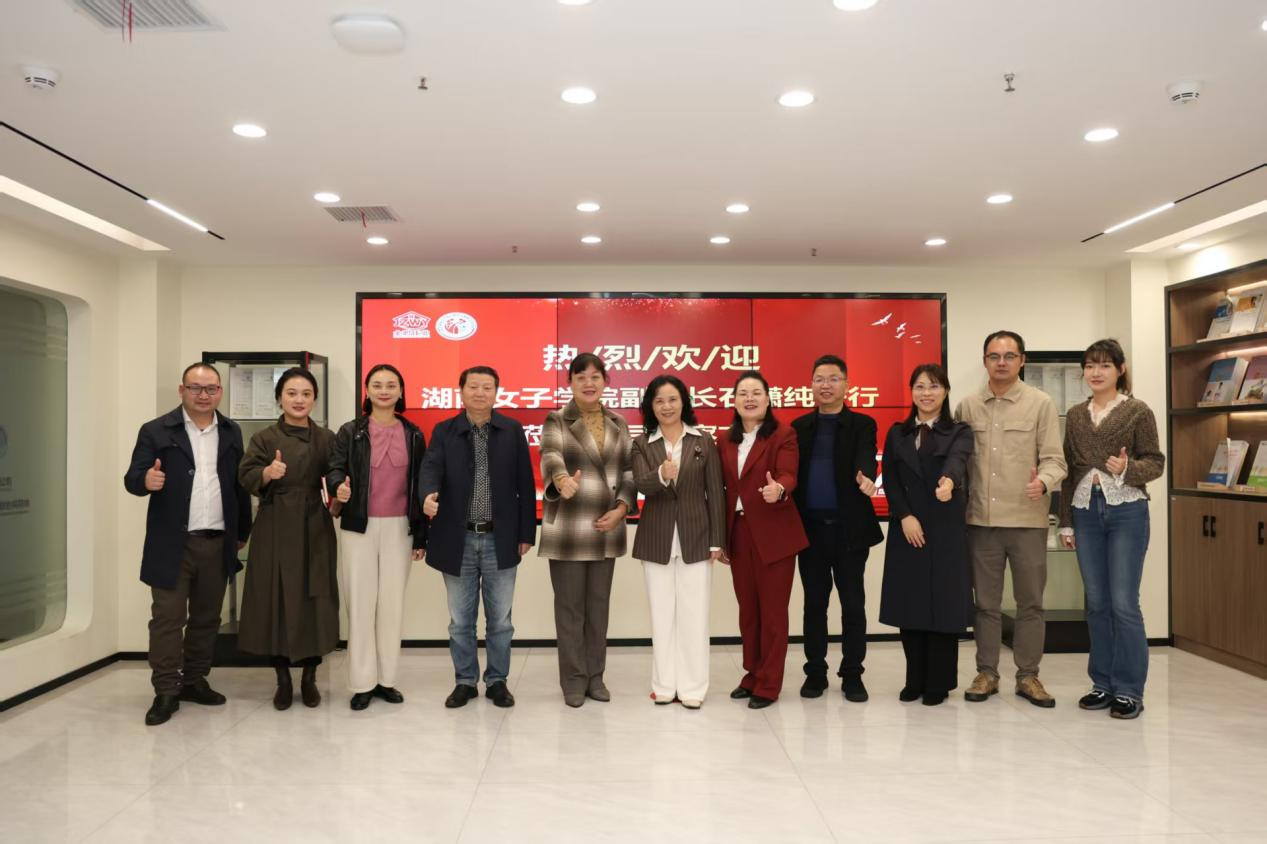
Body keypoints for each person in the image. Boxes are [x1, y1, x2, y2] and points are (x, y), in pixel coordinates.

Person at [124, 363, 252, 726]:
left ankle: (194, 680)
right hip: (172, 543)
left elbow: (239, 486)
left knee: (207, 618)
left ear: (220, 392)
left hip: (217, 540)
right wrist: (145, 480)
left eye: (211, 388)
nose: (203, 395)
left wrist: (243, 530)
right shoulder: (155, 430)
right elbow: (132, 478)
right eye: (195, 388)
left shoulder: (231, 430)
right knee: (167, 618)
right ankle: (166, 690)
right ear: (182, 390)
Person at [955, 330, 1067, 707]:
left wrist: (1044, 482)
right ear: (984, 361)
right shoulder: (967, 407)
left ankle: (1028, 675)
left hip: (1027, 521)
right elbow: (957, 462)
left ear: (1022, 360)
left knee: (1030, 603)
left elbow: (1055, 460)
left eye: (1009, 356)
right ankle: (987, 673)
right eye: (994, 356)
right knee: (985, 604)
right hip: (981, 522)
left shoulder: (1040, 404)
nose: (1001, 362)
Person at [419, 365, 536, 710]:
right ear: (461, 391)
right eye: (473, 386)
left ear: (496, 392)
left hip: (501, 538)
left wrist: (526, 532)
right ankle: (465, 681)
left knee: (500, 621)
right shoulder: (445, 431)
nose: (480, 393)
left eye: (487, 387)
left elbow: (525, 483)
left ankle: (497, 681)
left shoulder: (512, 430)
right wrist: (427, 494)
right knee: (460, 621)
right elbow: (430, 469)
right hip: (458, 539)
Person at [1059, 339, 1164, 720]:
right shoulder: (1075, 415)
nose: (1096, 372)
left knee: (1124, 603)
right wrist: (1066, 522)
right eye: (1090, 365)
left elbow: (1155, 462)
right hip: (1085, 512)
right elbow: (1069, 471)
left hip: (1127, 512)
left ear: (1120, 369)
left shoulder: (1137, 410)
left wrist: (1127, 469)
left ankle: (1129, 690)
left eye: (1104, 365)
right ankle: (1101, 683)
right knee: (1097, 603)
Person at [327, 363, 428, 711]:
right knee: (360, 604)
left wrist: (421, 537)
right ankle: (362, 683)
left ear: (401, 391)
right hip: (359, 526)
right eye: (377, 385)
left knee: (391, 605)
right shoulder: (350, 431)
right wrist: (338, 487)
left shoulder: (414, 434)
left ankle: (387, 680)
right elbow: (335, 468)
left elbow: (421, 486)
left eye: (391, 385)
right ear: (367, 391)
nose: (384, 390)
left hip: (400, 528)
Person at [539, 352, 637, 707]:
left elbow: (629, 471)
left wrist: (622, 509)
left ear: (606, 382)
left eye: (595, 377)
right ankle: (573, 680)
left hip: (606, 527)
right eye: (581, 377)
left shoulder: (618, 422)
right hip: (569, 528)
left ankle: (596, 677)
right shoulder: (557, 419)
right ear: (570, 383)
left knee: (598, 608)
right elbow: (550, 455)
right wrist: (561, 480)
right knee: (570, 610)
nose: (589, 383)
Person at [237, 367, 339, 710]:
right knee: (275, 599)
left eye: (306, 394)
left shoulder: (326, 438)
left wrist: (341, 491)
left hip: (315, 524)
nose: (299, 400)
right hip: (275, 524)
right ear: (279, 398)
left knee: (316, 599)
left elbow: (337, 476)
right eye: (291, 393)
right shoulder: (264, 438)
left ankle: (310, 678)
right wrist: (267, 472)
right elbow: (246, 474)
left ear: (315, 400)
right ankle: (282, 679)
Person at [879, 364, 974, 705]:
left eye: (934, 386)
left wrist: (949, 482)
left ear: (945, 391)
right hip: (908, 528)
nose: (926, 393)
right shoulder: (898, 433)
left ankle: (939, 683)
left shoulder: (959, 430)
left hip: (946, 527)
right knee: (911, 603)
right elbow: (890, 479)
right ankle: (914, 679)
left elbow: (957, 461)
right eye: (920, 386)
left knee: (944, 605)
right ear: (912, 392)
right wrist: (904, 516)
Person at [791, 354, 884, 702]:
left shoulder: (862, 424)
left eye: (833, 378)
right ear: (811, 385)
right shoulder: (799, 427)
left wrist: (866, 477)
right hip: (810, 532)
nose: (826, 385)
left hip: (849, 532)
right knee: (814, 606)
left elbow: (866, 457)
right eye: (819, 379)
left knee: (853, 605)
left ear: (846, 384)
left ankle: (852, 673)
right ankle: (815, 672)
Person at [631, 375, 726, 709]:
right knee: (661, 616)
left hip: (697, 537)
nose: (666, 406)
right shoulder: (642, 443)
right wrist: (661, 475)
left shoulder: (703, 440)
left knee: (694, 616)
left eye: (672, 399)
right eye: (659, 401)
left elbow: (715, 492)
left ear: (683, 402)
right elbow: (640, 483)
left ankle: (693, 688)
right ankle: (664, 685)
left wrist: (717, 539)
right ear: (650, 407)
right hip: (656, 538)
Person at [716, 370, 808, 709]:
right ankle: (752, 674)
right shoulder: (724, 440)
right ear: (734, 401)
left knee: (772, 614)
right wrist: (720, 537)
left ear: (768, 400)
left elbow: (788, 474)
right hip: (739, 533)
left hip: (775, 534)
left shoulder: (783, 434)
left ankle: (769, 684)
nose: (749, 398)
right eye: (743, 393)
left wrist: (779, 489)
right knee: (748, 611)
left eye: (756, 392)